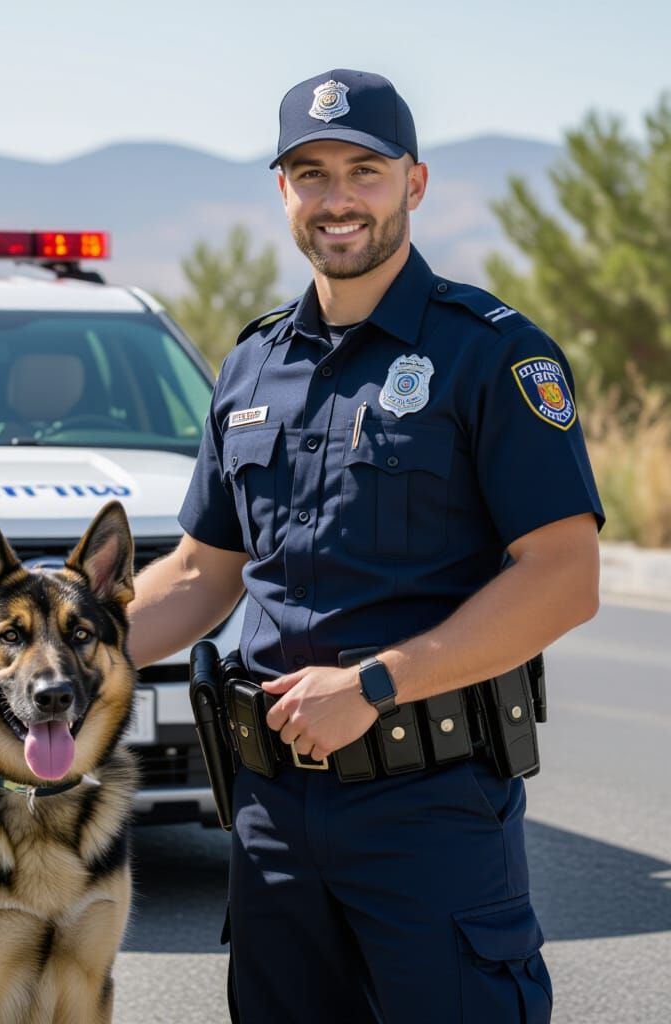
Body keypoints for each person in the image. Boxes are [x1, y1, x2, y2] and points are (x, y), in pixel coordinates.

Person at [127, 68, 603, 1023]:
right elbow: (199, 575)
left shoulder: (491, 354)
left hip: (430, 807)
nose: (337, 199)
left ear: (413, 184)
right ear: (284, 192)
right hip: (269, 815)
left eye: (364, 171)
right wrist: (45, 660)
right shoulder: (252, 365)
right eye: (311, 174)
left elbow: (563, 577)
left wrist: (373, 685)